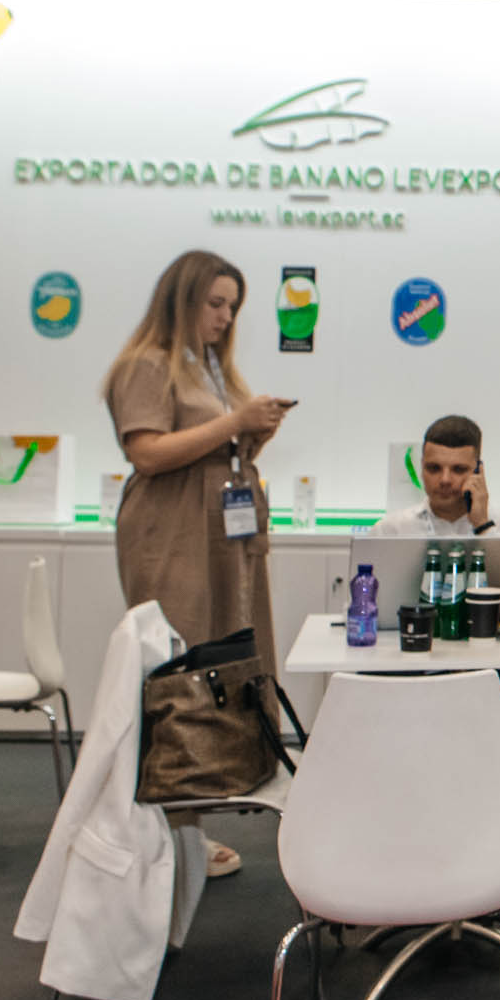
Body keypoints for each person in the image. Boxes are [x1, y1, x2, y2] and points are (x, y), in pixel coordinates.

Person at [104, 249, 291, 879]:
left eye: (232, 306)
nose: (225, 317)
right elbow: (148, 452)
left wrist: (251, 431)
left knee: (217, 661)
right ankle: (164, 827)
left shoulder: (209, 367)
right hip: (173, 533)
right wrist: (235, 420)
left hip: (219, 535)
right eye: (215, 303)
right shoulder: (147, 365)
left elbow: (211, 444)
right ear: (180, 299)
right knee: (176, 671)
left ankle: (188, 819)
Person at [371, 414, 500, 609]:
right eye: (434, 468)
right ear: (421, 467)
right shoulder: (390, 529)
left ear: (478, 471)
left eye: (458, 469)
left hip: (493, 629)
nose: (445, 480)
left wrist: (484, 527)